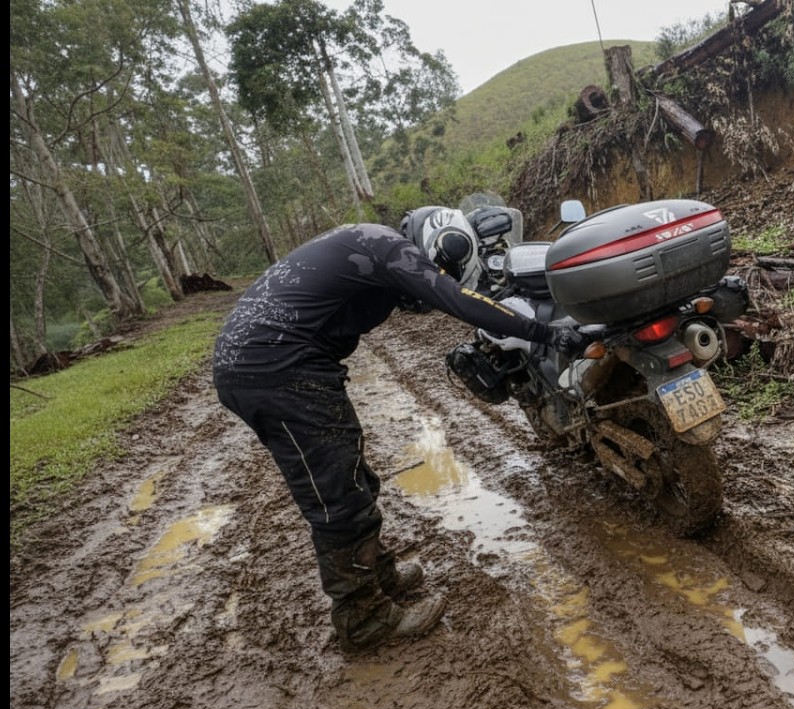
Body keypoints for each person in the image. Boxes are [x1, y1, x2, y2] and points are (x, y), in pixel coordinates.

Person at [212, 211, 587, 653]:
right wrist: (542, 332)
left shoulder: (366, 242)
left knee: (352, 476)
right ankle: (364, 618)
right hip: (274, 369)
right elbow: (459, 300)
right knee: (337, 495)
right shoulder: (388, 249)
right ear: (434, 241)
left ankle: (379, 576)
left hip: (270, 360)